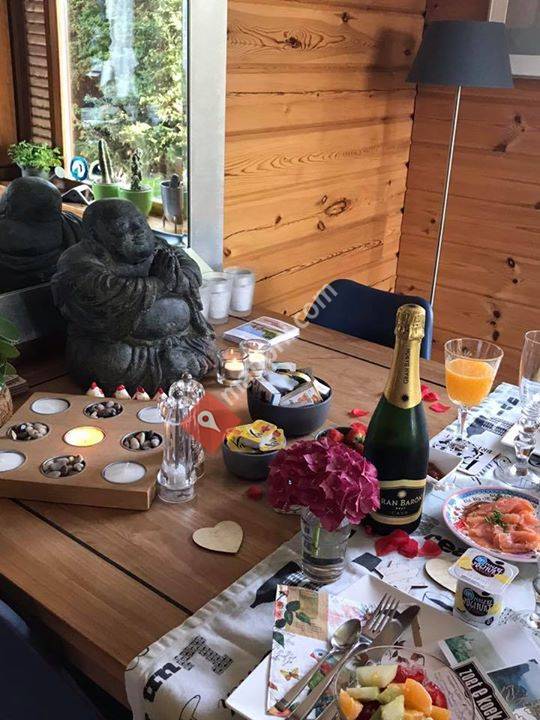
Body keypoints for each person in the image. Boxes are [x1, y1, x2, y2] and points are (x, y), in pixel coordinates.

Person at [51, 199, 215, 394]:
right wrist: (158, 283)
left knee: (203, 349)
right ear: (95, 235)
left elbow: (190, 269)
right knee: (111, 363)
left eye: (140, 221)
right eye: (123, 227)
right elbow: (103, 292)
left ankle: (175, 360)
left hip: (181, 339)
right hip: (123, 348)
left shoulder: (159, 247)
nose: (138, 230)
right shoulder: (77, 261)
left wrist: (175, 277)